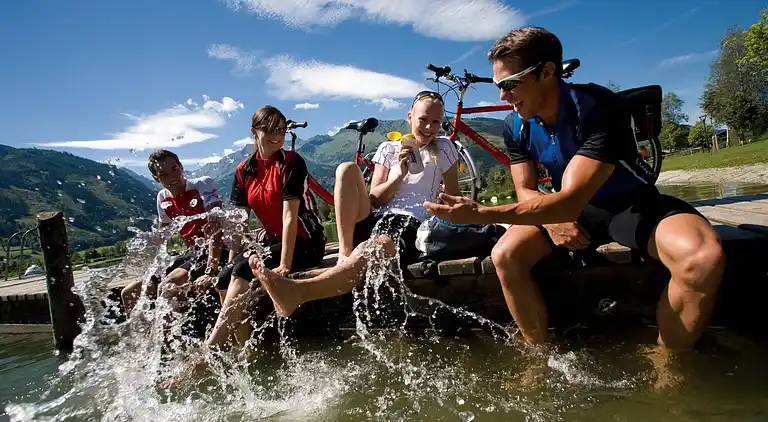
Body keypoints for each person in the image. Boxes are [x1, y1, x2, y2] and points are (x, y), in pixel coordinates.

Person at [423, 26, 725, 352]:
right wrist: (552, 220)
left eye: (509, 84)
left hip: (628, 206)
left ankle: (670, 365)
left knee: (703, 260)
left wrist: (480, 213)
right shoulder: (514, 125)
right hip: (567, 211)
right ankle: (540, 355)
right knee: (506, 255)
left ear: (547, 72)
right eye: (498, 85)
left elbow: (569, 200)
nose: (502, 96)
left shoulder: (597, 106)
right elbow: (525, 189)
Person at [248, 90, 460, 319]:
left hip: (411, 223)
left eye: (436, 122)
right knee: (346, 169)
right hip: (378, 217)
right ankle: (344, 253)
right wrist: (398, 176)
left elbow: (454, 197)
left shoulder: (445, 148)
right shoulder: (389, 148)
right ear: (410, 117)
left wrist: (441, 209)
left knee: (374, 247)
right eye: (423, 120)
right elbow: (375, 199)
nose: (429, 128)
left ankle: (300, 292)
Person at [204, 105, 327, 349]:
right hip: (274, 241)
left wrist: (284, 264)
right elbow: (240, 222)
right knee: (223, 277)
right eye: (269, 129)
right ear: (254, 131)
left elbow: (290, 216)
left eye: (281, 129)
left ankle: (211, 350)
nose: (277, 135)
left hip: (305, 241)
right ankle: (243, 347)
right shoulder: (243, 171)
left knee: (242, 268)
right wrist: (229, 259)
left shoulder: (290, 162)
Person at [120, 149, 227, 320]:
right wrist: (153, 269)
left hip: (219, 250)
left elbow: (216, 228)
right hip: (192, 253)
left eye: (175, 169)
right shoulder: (162, 198)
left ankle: (173, 340)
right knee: (129, 293)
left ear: (182, 167)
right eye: (163, 174)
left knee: (168, 286)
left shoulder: (203, 185)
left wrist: (211, 270)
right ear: (156, 178)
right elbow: (163, 238)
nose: (172, 177)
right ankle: (144, 342)